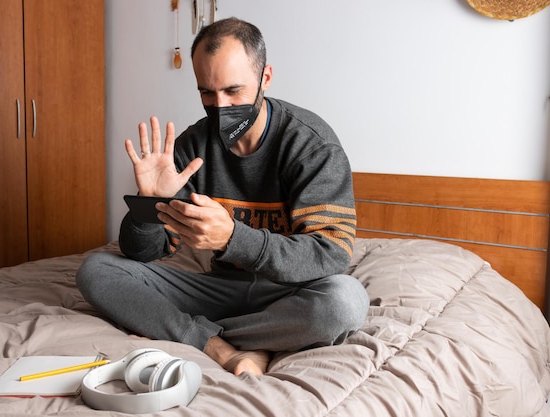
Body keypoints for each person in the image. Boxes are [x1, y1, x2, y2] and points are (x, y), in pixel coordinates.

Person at [76, 17, 369, 376]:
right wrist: (147, 206)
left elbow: (331, 255)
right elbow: (145, 254)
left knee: (344, 303)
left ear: (266, 78)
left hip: (290, 293)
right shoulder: (190, 147)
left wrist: (233, 238)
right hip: (218, 289)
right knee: (96, 270)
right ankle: (219, 345)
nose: (221, 106)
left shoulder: (311, 146)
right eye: (206, 93)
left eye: (234, 91)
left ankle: (202, 335)